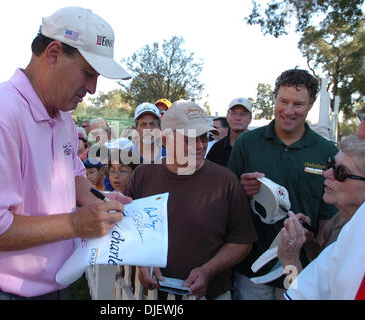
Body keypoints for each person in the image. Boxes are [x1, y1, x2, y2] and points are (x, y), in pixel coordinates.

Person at [0, 6, 132, 300]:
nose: (92, 89)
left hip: (48, 287)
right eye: (88, 73)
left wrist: (104, 200)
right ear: (53, 53)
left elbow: (74, 177)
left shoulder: (62, 119)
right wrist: (75, 224)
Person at [124, 100, 258, 300]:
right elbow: (123, 227)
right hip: (152, 295)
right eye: (189, 138)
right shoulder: (142, 176)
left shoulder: (226, 181)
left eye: (204, 137)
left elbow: (242, 241)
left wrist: (209, 270)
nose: (199, 145)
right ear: (165, 140)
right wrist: (142, 261)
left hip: (211, 294)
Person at [227, 68, 338, 300]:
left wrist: (313, 243)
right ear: (274, 99)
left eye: (298, 104)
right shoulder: (247, 144)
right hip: (252, 269)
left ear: (310, 106)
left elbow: (329, 223)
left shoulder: (328, 152)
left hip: (301, 271)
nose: (289, 111)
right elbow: (227, 204)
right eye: (283, 101)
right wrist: (241, 189)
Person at [283, 119, 365, 300]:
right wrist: (309, 243)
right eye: (330, 164)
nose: (326, 174)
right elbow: (320, 273)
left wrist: (290, 261)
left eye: (340, 172)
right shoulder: (338, 222)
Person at [206, 98, 253, 167]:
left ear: (250, 118)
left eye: (243, 114)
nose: (237, 118)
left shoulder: (260, 146)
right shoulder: (217, 148)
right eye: (233, 113)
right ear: (227, 116)